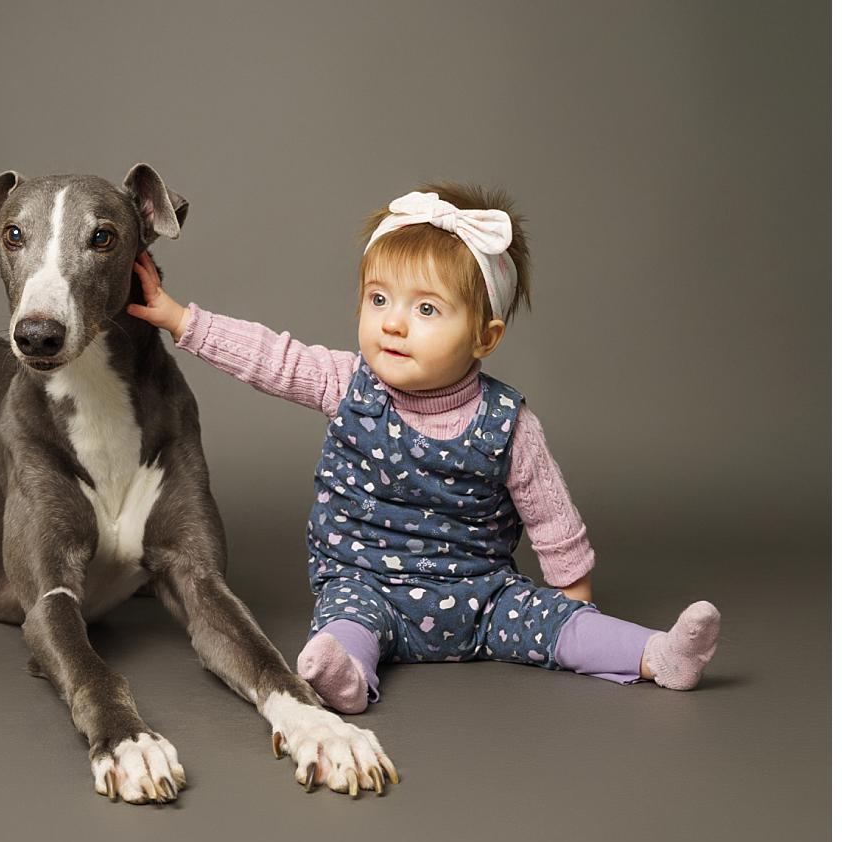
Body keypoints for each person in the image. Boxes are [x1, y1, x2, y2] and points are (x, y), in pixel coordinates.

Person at [128, 184, 720, 713]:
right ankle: (347, 672)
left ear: (485, 337)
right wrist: (180, 319)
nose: (393, 324)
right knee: (344, 626)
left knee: (559, 625)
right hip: (365, 584)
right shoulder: (346, 382)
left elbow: (552, 518)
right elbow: (271, 358)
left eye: (427, 309)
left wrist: (572, 602)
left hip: (483, 595)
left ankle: (657, 654)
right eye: (379, 299)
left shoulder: (508, 423)